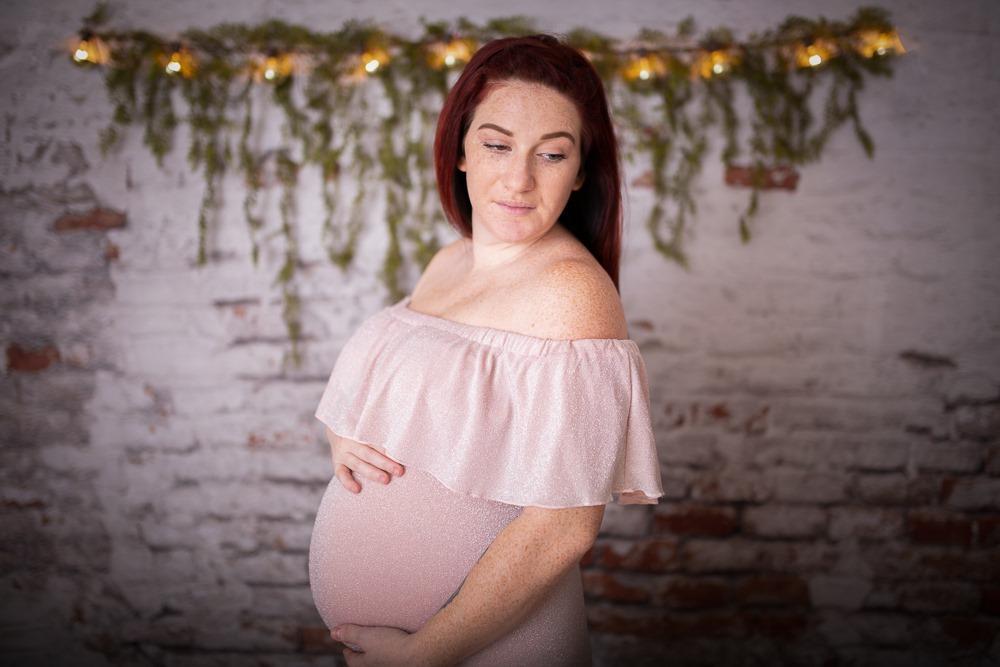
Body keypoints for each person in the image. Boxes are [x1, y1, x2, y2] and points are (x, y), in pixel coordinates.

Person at [307, 33, 664, 666]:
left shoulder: (573, 293)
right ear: (461, 151)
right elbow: (414, 402)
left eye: (551, 154)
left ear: (581, 171)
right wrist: (346, 436)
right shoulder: (449, 261)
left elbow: (563, 529)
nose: (519, 179)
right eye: (497, 145)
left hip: (488, 649)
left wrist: (423, 656)